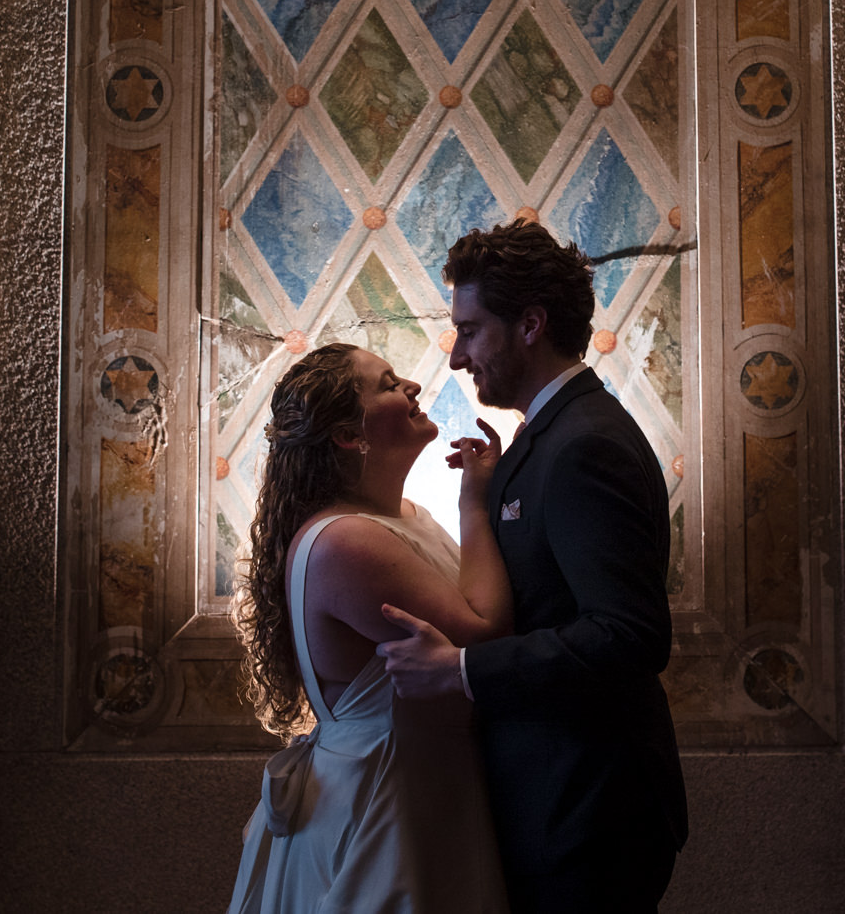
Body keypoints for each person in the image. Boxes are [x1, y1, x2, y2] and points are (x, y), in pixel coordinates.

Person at [377, 221, 688, 914]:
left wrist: (457, 670)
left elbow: (630, 634)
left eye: (471, 329)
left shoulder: (585, 445)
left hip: (589, 815)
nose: (457, 356)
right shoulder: (547, 435)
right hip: (558, 805)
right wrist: (484, 494)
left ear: (531, 324)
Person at [228, 342, 514, 914]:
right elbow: (484, 633)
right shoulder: (345, 542)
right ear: (347, 435)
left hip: (429, 786)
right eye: (386, 384)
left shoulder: (406, 518)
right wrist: (477, 505)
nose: (410, 384)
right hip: (382, 801)